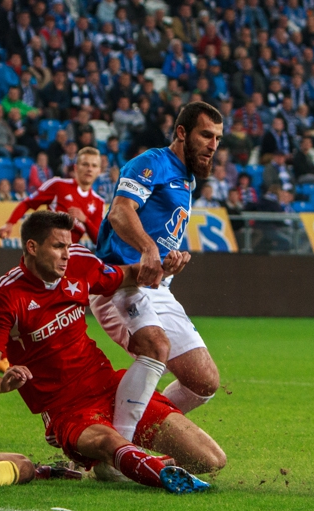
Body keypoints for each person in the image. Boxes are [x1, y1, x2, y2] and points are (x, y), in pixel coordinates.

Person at [0, 211, 224, 493]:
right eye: (57, 247)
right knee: (107, 442)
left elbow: (125, 276)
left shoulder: (79, 261)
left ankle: (127, 463)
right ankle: (152, 471)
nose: (66, 254)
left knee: (210, 459)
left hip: (108, 387)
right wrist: (2, 384)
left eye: (67, 246)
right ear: (32, 247)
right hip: (66, 409)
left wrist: (162, 268)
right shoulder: (4, 295)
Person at [91, 102, 222, 454]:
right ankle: (115, 452)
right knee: (156, 348)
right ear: (181, 132)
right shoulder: (153, 162)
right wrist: (150, 250)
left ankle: (140, 420)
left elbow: (161, 238)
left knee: (204, 382)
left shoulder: (188, 178)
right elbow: (120, 211)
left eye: (217, 138)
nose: (213, 145)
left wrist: (171, 259)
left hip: (156, 287)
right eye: (206, 135)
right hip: (118, 281)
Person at [0, 147, 104, 244]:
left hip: (68, 256)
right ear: (76, 168)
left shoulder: (98, 202)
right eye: (85, 164)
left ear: (99, 171)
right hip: (46, 247)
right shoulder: (58, 185)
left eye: (94, 166)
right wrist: (10, 223)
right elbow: (28, 203)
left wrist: (85, 220)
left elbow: (98, 240)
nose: (89, 169)